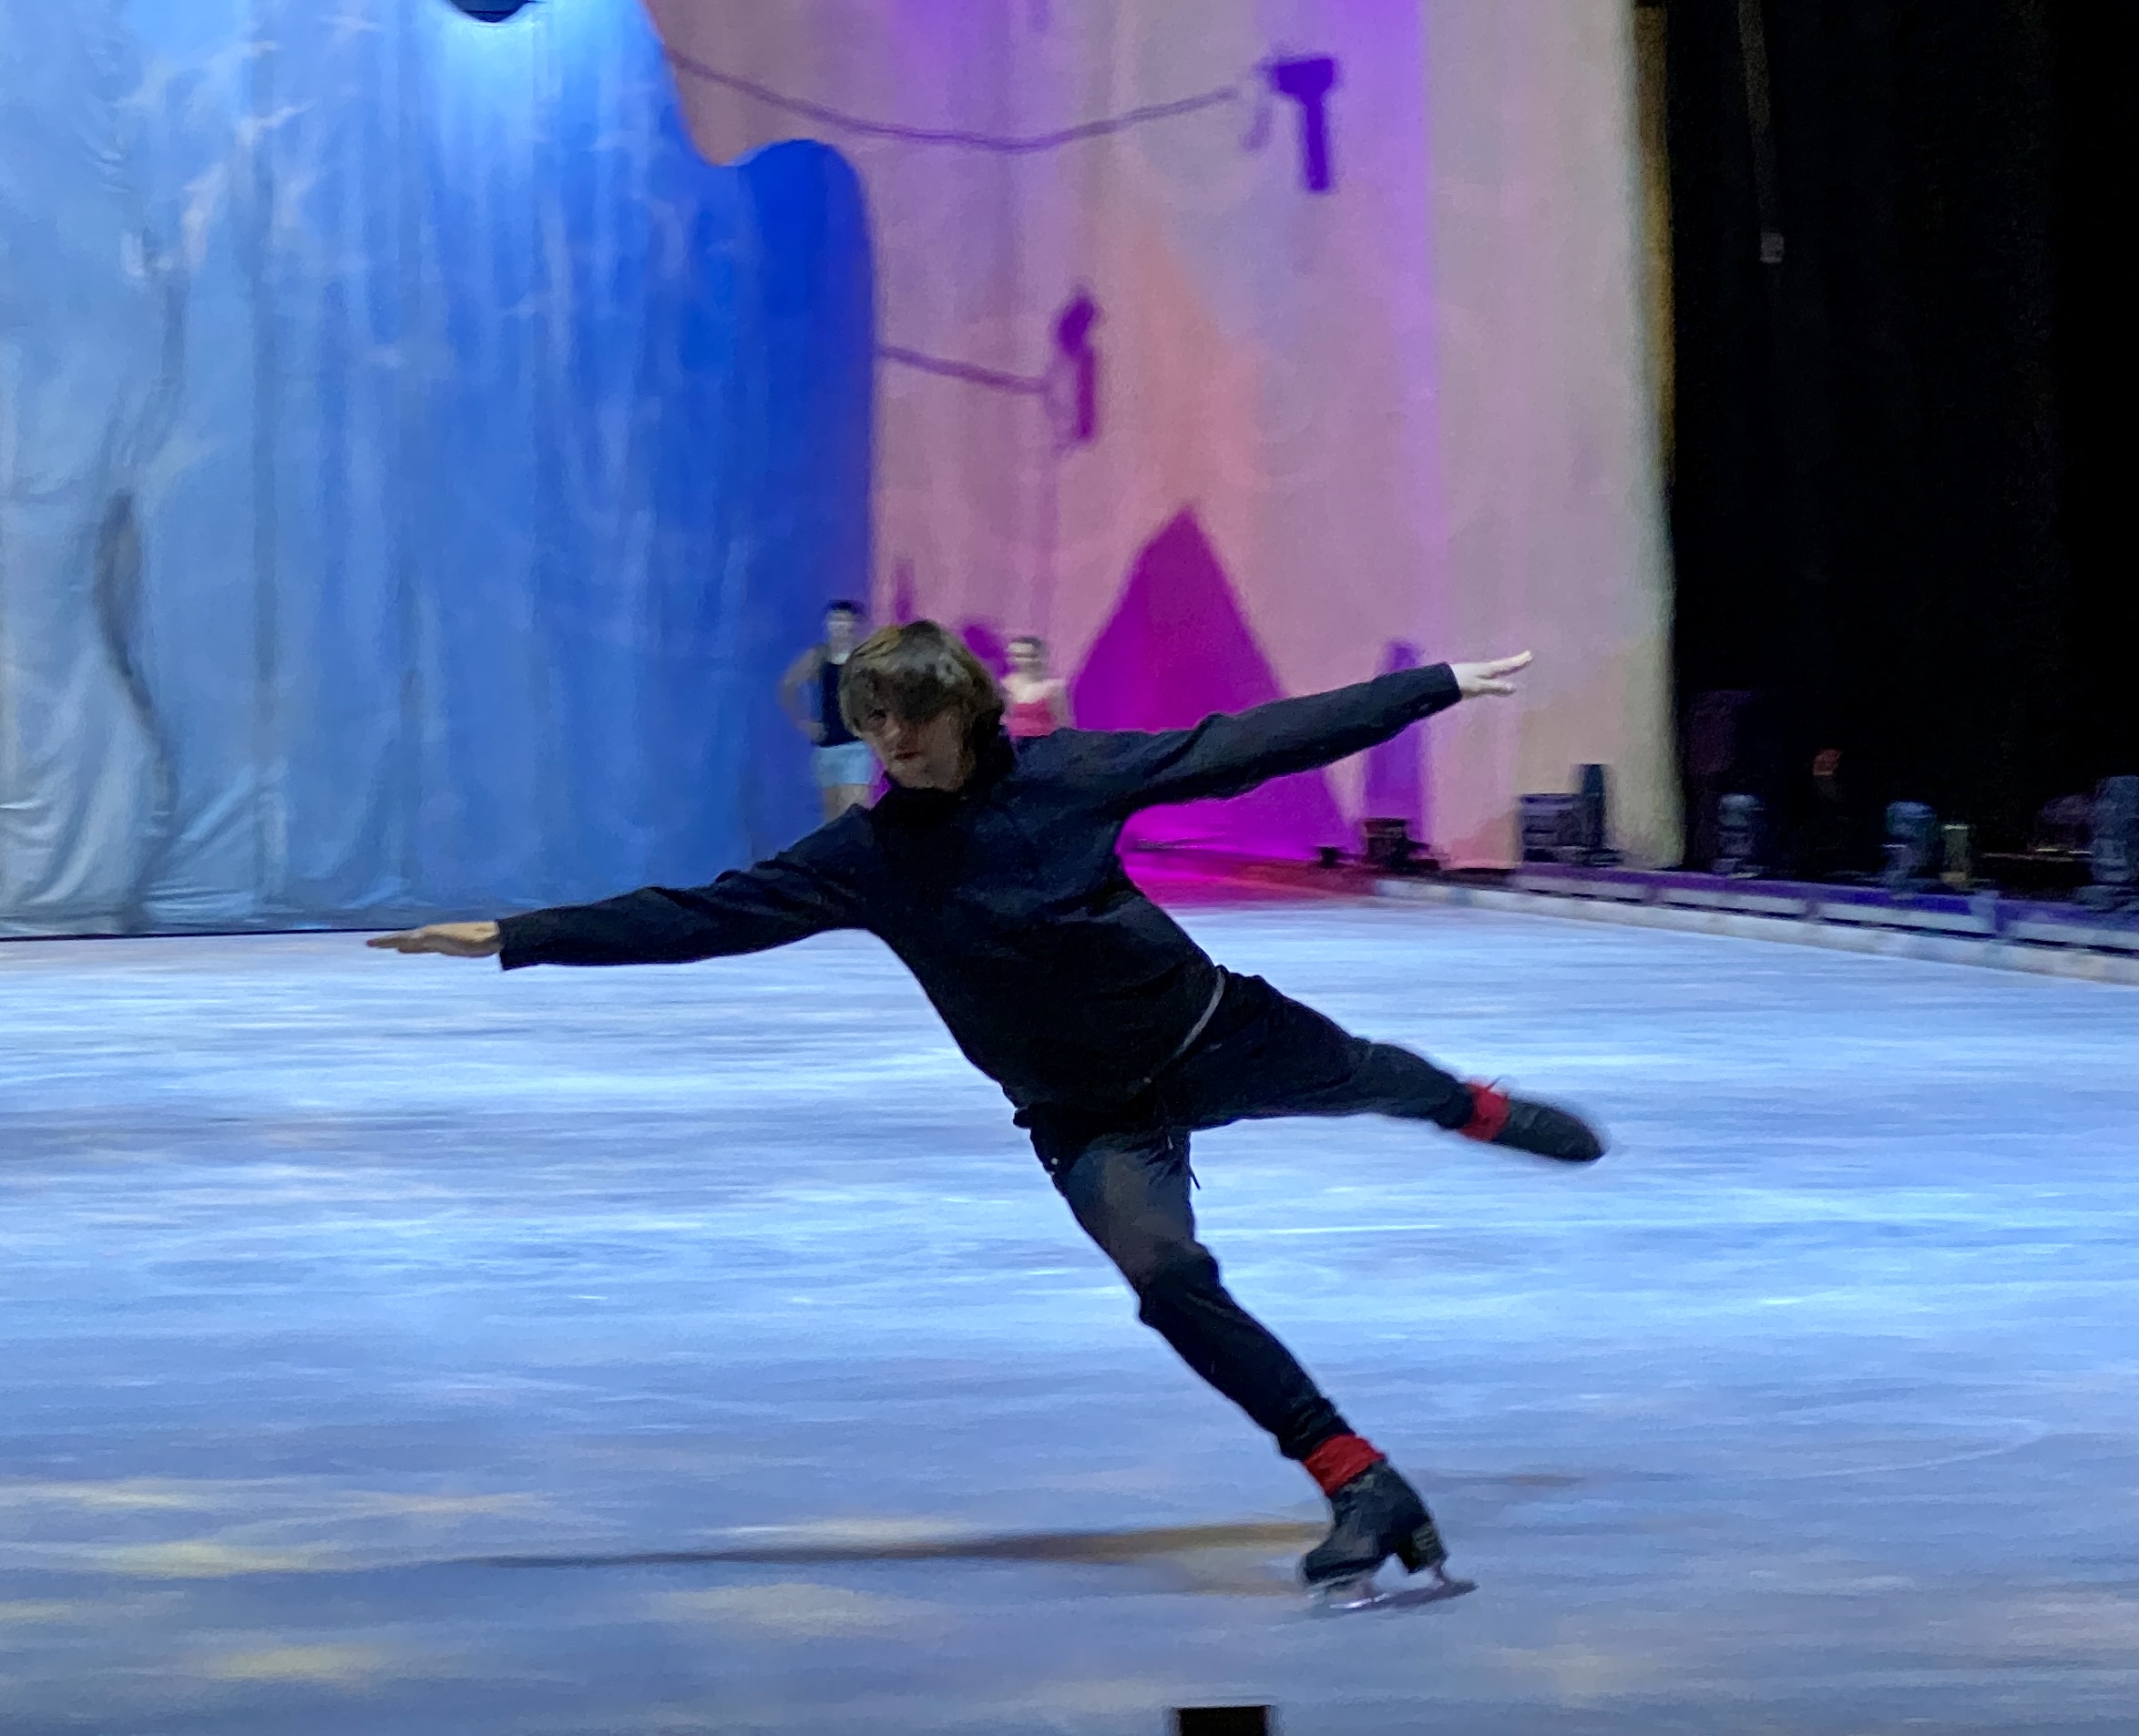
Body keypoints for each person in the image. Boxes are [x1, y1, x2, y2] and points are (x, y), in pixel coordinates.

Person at [374, 620, 1602, 1611]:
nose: (892, 741)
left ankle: (1478, 1109)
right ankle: (1356, 1478)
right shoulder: (863, 856)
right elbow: (702, 916)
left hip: (1210, 1034)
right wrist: (517, 937)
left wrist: (1429, 686)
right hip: (1084, 1113)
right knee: (1166, 1271)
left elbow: (1248, 743)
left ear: (964, 707)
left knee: (1384, 1079)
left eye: (911, 715)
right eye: (872, 722)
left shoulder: (1069, 777)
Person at [776, 599, 875, 822]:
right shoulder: (818, 657)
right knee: (831, 816)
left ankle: (857, 855)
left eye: (844, 621)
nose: (840, 626)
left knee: (856, 813)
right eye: (835, 621)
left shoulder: (864, 658)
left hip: (856, 745)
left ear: (855, 625)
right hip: (827, 747)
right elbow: (787, 685)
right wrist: (803, 722)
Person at [1000, 633, 1073, 739]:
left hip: (1043, 745)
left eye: (1031, 656)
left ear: (1042, 656)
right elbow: (1003, 718)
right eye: (1018, 656)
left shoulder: (1055, 687)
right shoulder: (1006, 684)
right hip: (1013, 745)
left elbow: (1063, 723)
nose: (1024, 661)